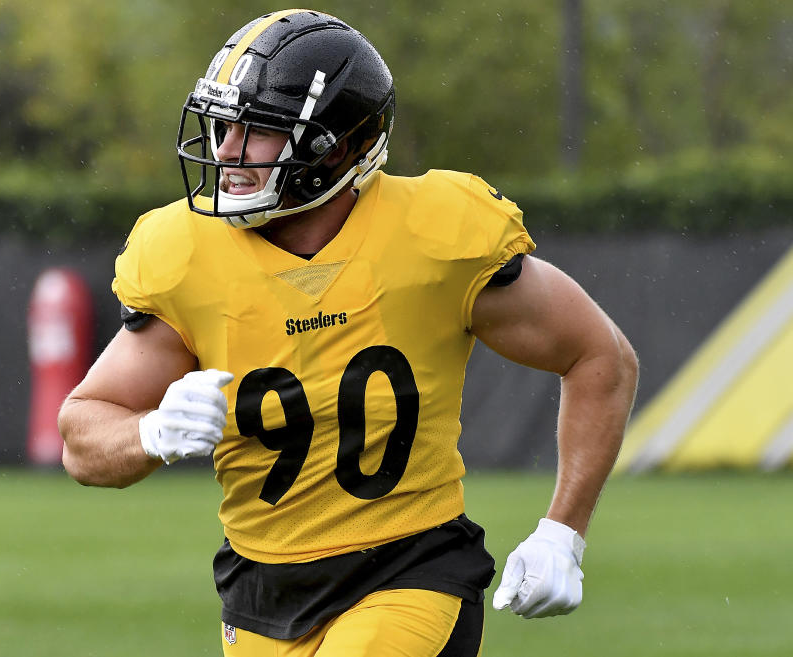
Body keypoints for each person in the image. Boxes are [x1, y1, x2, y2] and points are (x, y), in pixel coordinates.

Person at [59, 9, 639, 656]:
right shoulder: (186, 253)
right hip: (259, 591)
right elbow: (82, 434)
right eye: (223, 125)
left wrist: (565, 531)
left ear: (330, 147)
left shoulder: (433, 235)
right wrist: (149, 433)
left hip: (408, 568)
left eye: (255, 131)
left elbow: (600, 355)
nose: (224, 151)